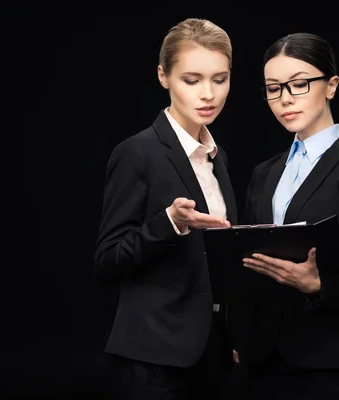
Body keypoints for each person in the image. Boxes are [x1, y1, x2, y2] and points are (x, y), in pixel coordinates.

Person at [227, 32, 339, 399]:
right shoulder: (264, 174)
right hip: (261, 362)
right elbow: (246, 264)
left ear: (331, 85)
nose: (285, 98)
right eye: (273, 89)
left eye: (300, 84)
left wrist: (320, 286)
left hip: (330, 364)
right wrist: (240, 335)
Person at [93, 18, 238, 400]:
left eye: (219, 79)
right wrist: (169, 223)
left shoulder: (217, 158)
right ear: (164, 77)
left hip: (213, 356)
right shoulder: (137, 153)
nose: (208, 94)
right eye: (192, 80)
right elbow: (107, 260)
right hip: (153, 361)